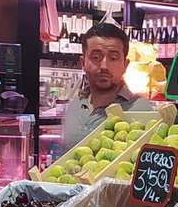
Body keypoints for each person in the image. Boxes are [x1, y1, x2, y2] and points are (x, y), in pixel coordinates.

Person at [59, 20, 156, 149]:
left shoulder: (143, 110)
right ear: (83, 63)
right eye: (96, 57)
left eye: (113, 58)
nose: (104, 66)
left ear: (125, 65)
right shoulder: (74, 106)